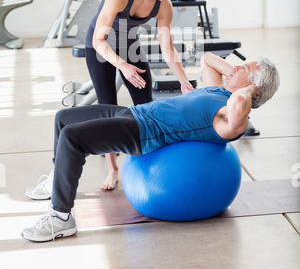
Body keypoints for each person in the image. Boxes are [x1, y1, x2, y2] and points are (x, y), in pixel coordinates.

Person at [21, 52, 279, 242]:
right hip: (133, 113)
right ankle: (58, 181)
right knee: (63, 118)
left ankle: (61, 217)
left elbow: (239, 111)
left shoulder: (229, 118)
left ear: (253, 88)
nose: (234, 67)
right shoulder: (217, 91)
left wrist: (251, 89)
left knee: (72, 138)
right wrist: (239, 74)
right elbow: (207, 59)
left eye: (243, 67)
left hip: (142, 133)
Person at [84, 0, 194, 190]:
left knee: (145, 103)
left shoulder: (164, 6)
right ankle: (112, 169)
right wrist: (121, 65)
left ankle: (150, 159)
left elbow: (168, 49)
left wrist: (184, 81)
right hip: (100, 46)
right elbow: (101, 41)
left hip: (129, 45)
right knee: (108, 105)